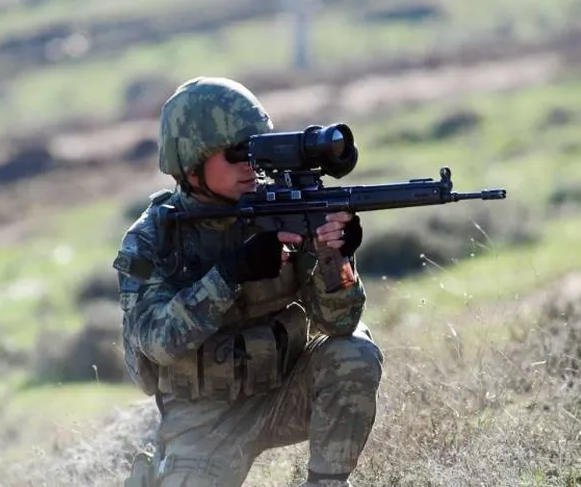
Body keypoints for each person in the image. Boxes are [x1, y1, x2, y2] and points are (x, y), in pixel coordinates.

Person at [113, 76, 384, 487]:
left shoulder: (282, 210)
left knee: (355, 354)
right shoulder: (154, 238)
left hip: (284, 389)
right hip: (204, 420)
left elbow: (339, 324)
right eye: (236, 153)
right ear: (191, 165)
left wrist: (337, 258)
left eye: (255, 150)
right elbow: (157, 341)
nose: (249, 165)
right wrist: (231, 274)